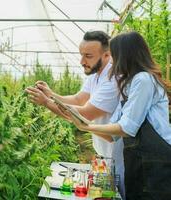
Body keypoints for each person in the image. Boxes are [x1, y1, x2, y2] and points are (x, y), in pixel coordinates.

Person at [67, 31, 171, 200]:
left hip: (156, 159)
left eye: (113, 56)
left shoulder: (143, 80)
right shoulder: (128, 84)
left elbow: (127, 128)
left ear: (125, 55)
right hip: (139, 157)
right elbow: (112, 134)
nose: (112, 61)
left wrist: (86, 126)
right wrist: (83, 123)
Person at [25, 31, 125, 198]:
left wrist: (46, 102)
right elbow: (78, 99)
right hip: (106, 154)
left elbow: (83, 114)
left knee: (118, 194)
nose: (82, 61)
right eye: (81, 55)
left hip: (120, 157)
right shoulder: (96, 74)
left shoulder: (112, 79)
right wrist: (51, 94)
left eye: (88, 56)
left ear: (107, 54)